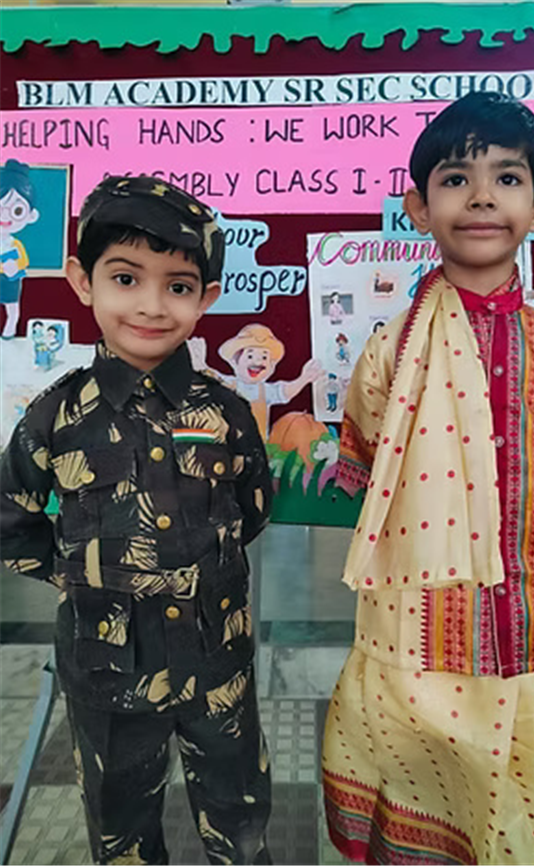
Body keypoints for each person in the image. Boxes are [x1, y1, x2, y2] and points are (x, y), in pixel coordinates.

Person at [322, 91, 534, 867]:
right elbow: (370, 450)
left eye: (506, 178)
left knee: (505, 773)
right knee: (402, 752)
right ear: (417, 207)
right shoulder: (388, 350)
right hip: (413, 615)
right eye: (454, 179)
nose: (480, 197)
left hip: (520, 604)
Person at [0, 175, 274, 867]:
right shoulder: (54, 416)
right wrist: (81, 574)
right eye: (126, 278)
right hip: (107, 676)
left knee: (242, 829)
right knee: (122, 837)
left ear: (206, 298)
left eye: (178, 285)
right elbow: (10, 519)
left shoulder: (226, 413)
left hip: (218, 670)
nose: (152, 305)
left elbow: (252, 509)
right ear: (82, 281)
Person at [0, 159, 40, 339]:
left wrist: (15, 267)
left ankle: (9, 331)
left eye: (16, 211)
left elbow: (23, 262)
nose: (4, 217)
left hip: (10, 280)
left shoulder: (15, 244)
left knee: (12, 308)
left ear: (31, 216)